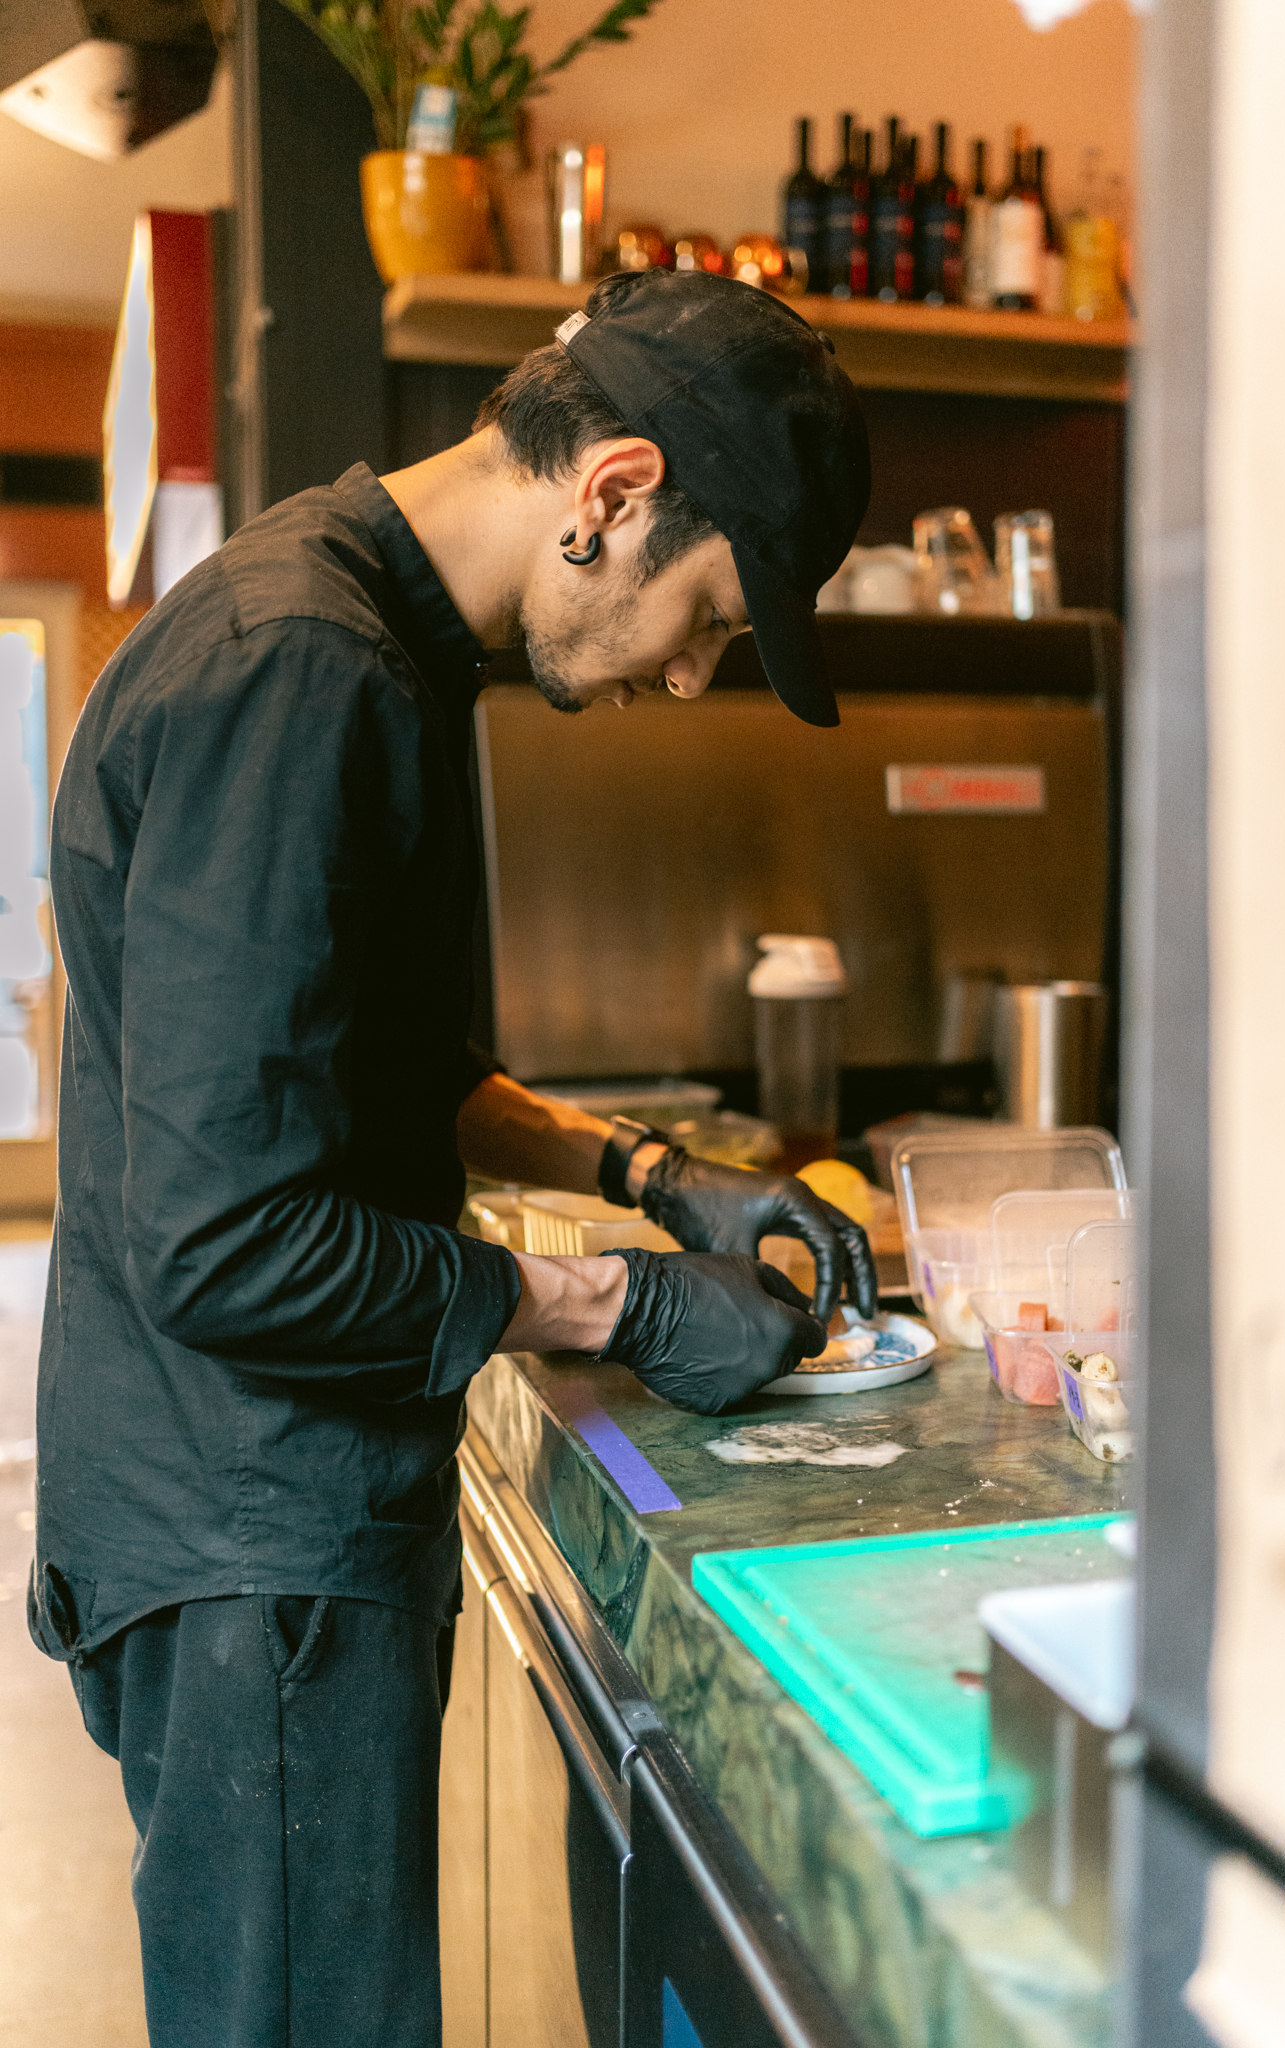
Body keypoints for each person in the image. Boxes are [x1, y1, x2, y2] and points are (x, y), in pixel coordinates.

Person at [29, 269, 875, 2046]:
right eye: (711, 619)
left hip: (247, 1522)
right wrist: (608, 1304)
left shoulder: (362, 629)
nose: (686, 677)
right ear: (614, 493)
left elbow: (368, 1059)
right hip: (253, 1545)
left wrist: (645, 1171)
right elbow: (231, 1244)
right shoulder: (301, 672)